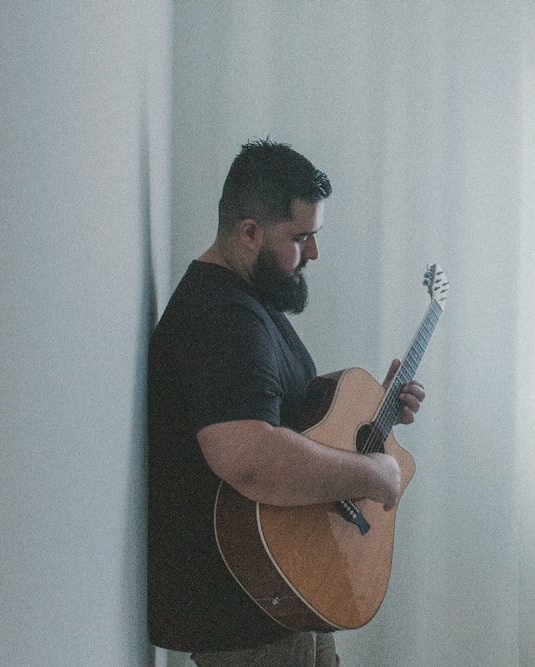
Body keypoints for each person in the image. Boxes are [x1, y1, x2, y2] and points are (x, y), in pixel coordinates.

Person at [147, 139, 425, 666]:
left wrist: (373, 413)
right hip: (243, 613)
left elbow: (289, 417)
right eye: (301, 238)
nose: (314, 253)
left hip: (287, 586)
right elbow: (250, 458)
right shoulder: (223, 317)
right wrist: (373, 474)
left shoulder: (247, 304)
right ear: (249, 232)